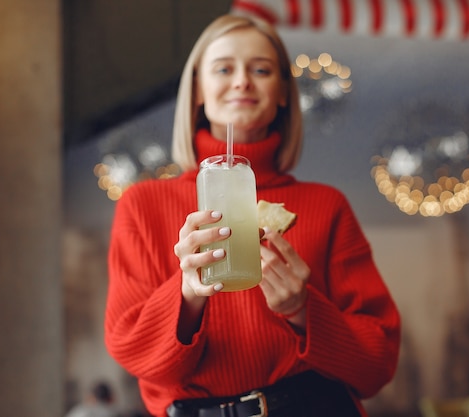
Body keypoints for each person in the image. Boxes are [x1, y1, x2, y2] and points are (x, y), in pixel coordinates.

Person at [105, 14, 400, 417]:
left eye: (261, 69)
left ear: (282, 93)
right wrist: (188, 293)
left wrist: (303, 311)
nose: (242, 81)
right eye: (224, 68)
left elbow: (378, 364)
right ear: (197, 91)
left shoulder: (326, 204)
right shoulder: (142, 206)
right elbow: (135, 355)